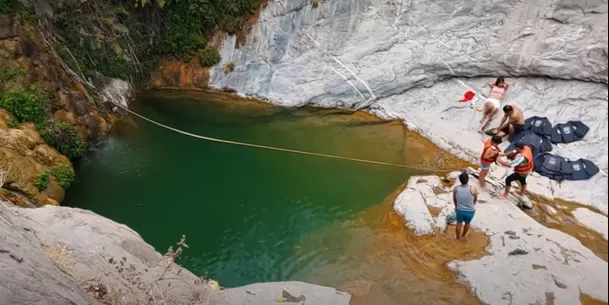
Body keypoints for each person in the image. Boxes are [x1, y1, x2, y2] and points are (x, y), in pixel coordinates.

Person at [453, 172, 478, 240]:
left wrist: (456, 207)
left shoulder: (456, 189)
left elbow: (454, 199)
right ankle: (463, 235)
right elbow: (475, 199)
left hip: (459, 210)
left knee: (459, 223)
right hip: (470, 211)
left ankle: (457, 238)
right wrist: (472, 205)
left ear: (460, 180)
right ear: (468, 179)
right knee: (467, 223)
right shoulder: (473, 188)